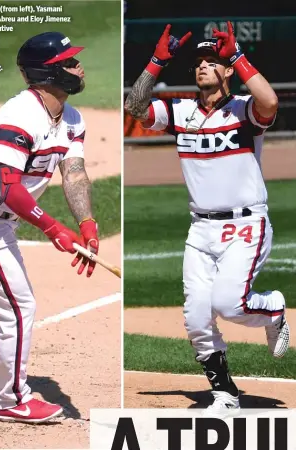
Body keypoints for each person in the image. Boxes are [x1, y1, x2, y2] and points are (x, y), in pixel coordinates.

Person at [125, 22, 290, 416]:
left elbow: (270, 103)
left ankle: (274, 309)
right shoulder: (181, 111)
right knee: (197, 316)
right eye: (199, 61)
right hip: (201, 229)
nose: (203, 66)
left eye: (212, 61)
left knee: (230, 305)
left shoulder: (242, 111)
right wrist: (155, 62)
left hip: (245, 224)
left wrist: (237, 56)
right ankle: (225, 394)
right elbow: (134, 108)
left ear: (227, 70)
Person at [0, 31, 99, 424]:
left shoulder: (71, 118)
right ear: (47, 73)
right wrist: (52, 228)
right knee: (19, 310)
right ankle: (15, 400)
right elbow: (7, 189)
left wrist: (86, 224)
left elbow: (75, 173)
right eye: (69, 62)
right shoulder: (18, 117)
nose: (79, 67)